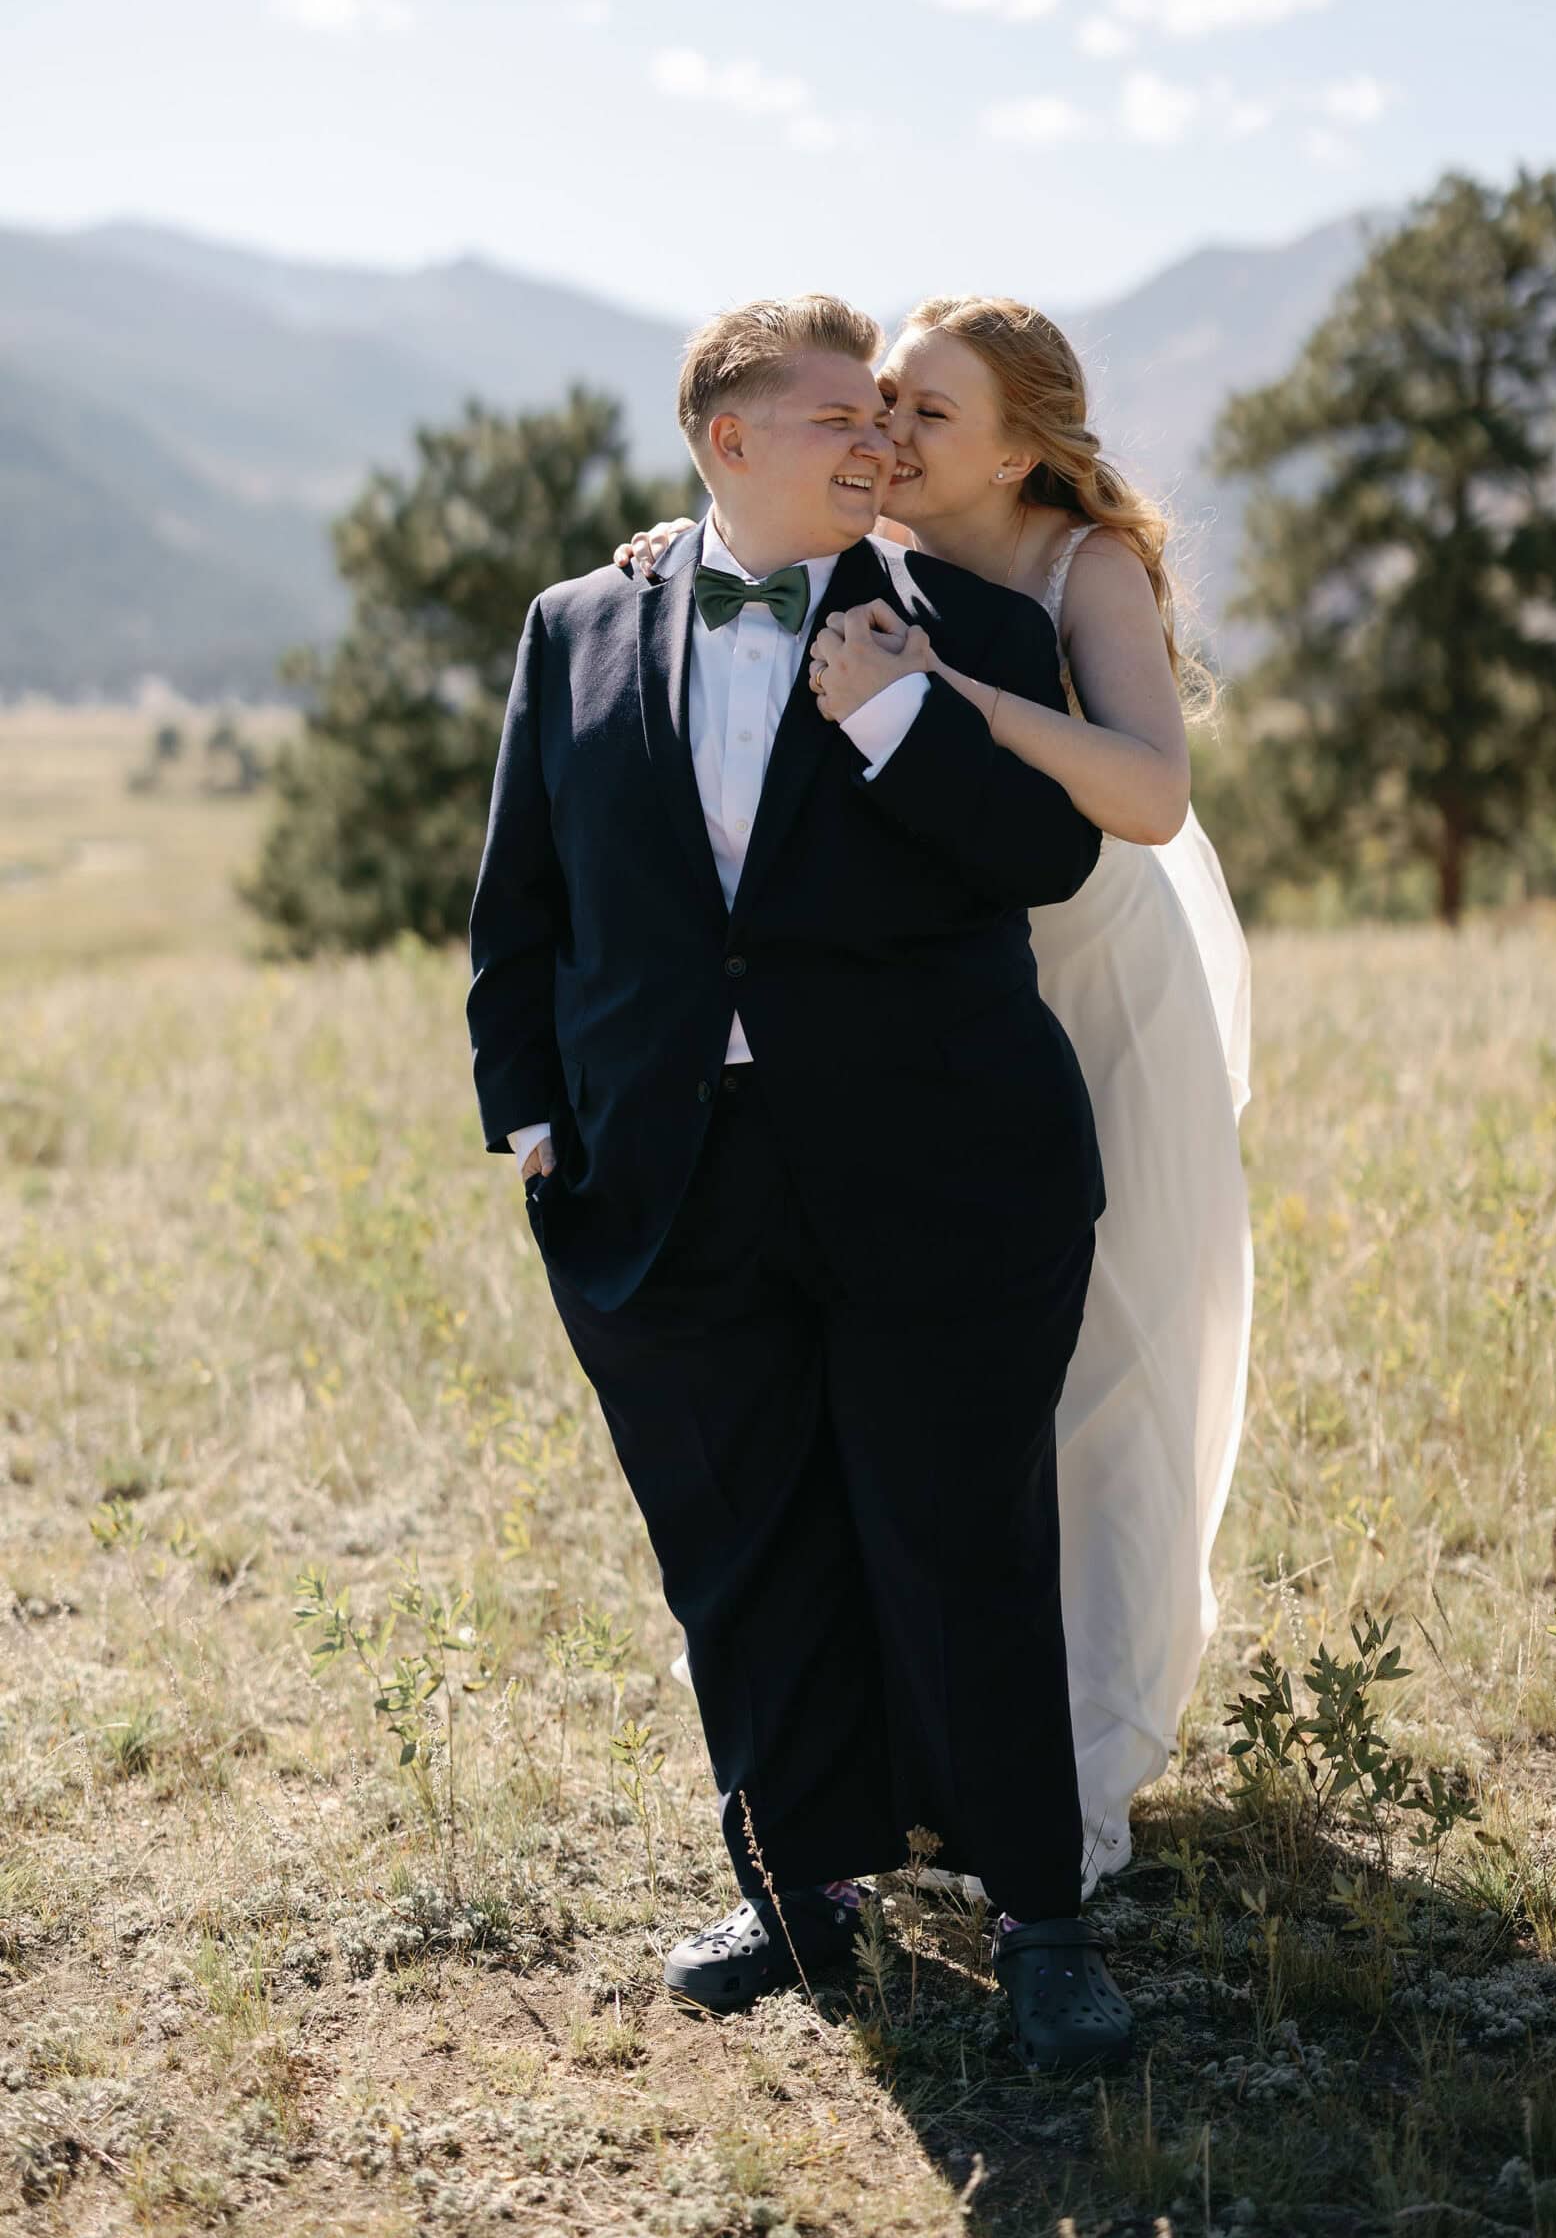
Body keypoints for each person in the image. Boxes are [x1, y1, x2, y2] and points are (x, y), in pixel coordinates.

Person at [468, 292, 1135, 2068]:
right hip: (667, 1173)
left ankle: (1041, 1919)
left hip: (944, 1171)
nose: (880, 445)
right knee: (744, 1548)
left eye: (891, 420)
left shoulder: (966, 617)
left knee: (960, 1536)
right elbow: (523, 898)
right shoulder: (575, 627)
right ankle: (803, 1894)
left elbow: (1052, 853)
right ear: (726, 439)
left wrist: (905, 723)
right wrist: (531, 1118)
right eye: (841, 417)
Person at [620, 294, 1253, 1900]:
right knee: (932, 1418)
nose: (887, 436)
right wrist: (678, 545)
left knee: (1096, 1365)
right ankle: (912, 1765)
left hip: (1084, 964)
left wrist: (941, 699)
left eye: (927, 416)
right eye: (881, 402)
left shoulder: (1074, 566)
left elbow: (1153, 793)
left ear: (1025, 448)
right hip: (916, 987)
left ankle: (1079, 1758)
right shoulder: (859, 541)